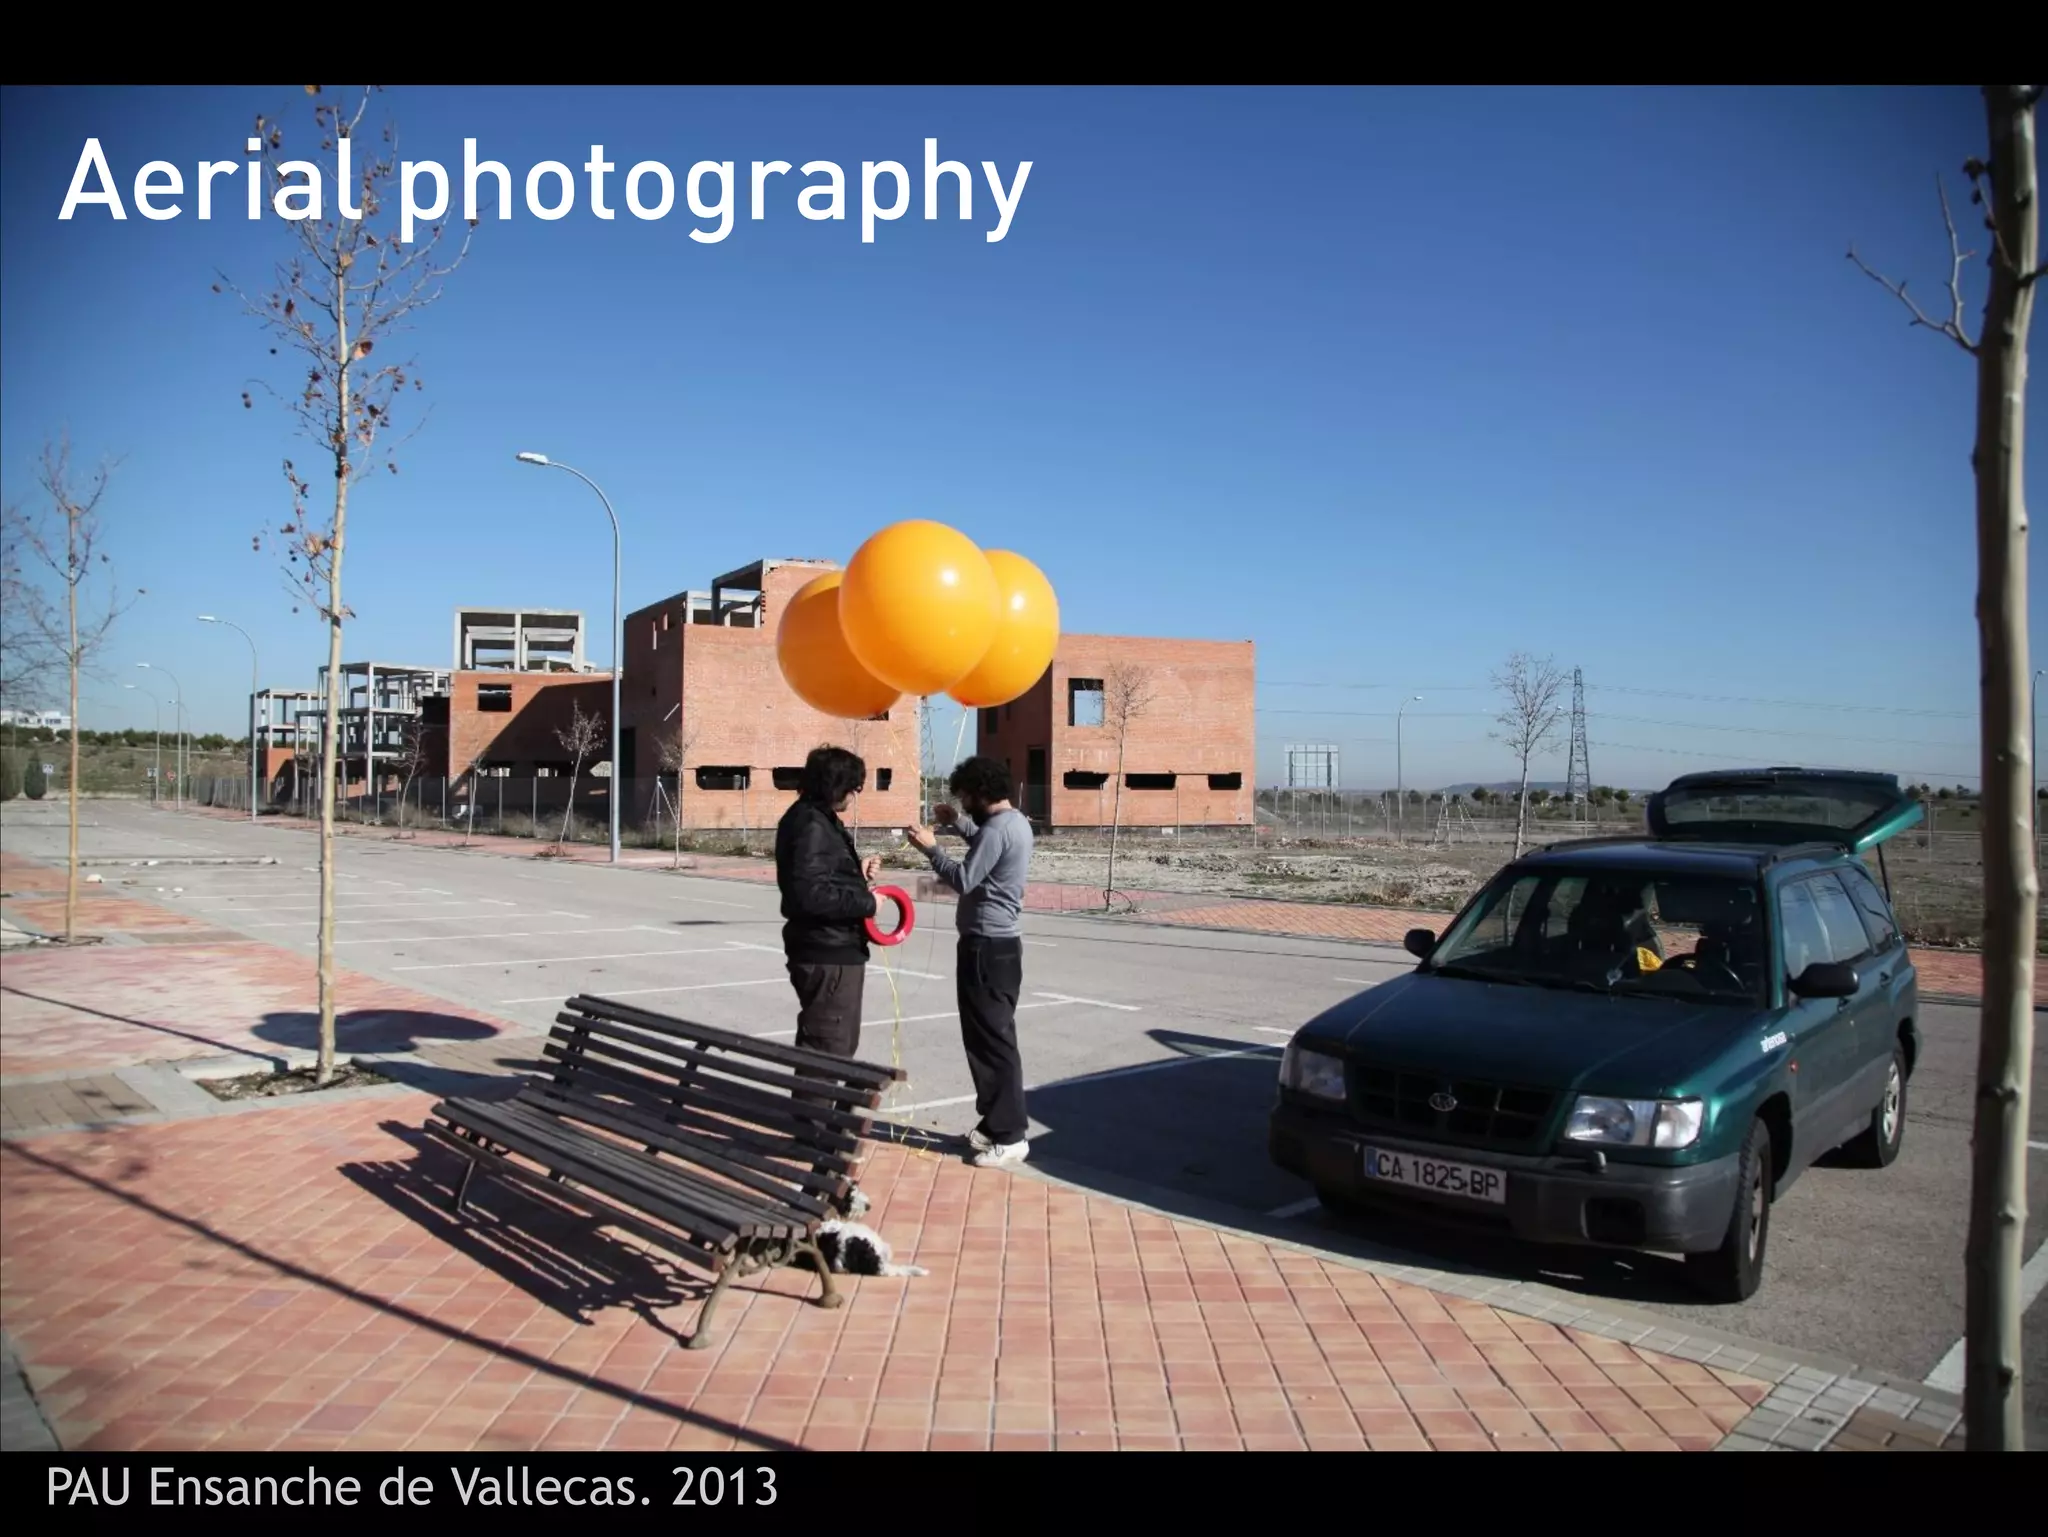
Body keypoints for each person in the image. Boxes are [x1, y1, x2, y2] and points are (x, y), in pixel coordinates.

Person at [905, 755, 1034, 1168]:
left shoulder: (997, 830)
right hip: (999, 948)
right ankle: (996, 1124)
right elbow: (986, 848)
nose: (963, 804)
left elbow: (963, 879)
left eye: (964, 798)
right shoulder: (1015, 823)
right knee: (987, 1039)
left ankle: (1011, 1135)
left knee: (992, 1042)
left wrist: (932, 850)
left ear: (981, 792)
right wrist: (958, 825)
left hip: (986, 947)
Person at [776, 745, 882, 1083]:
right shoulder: (812, 824)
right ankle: (812, 1134)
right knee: (826, 1049)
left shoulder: (814, 818)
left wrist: (855, 873)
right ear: (834, 786)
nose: (853, 796)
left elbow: (820, 878)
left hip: (834, 948)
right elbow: (809, 895)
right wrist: (868, 904)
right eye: (851, 788)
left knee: (837, 1044)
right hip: (827, 952)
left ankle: (822, 1128)